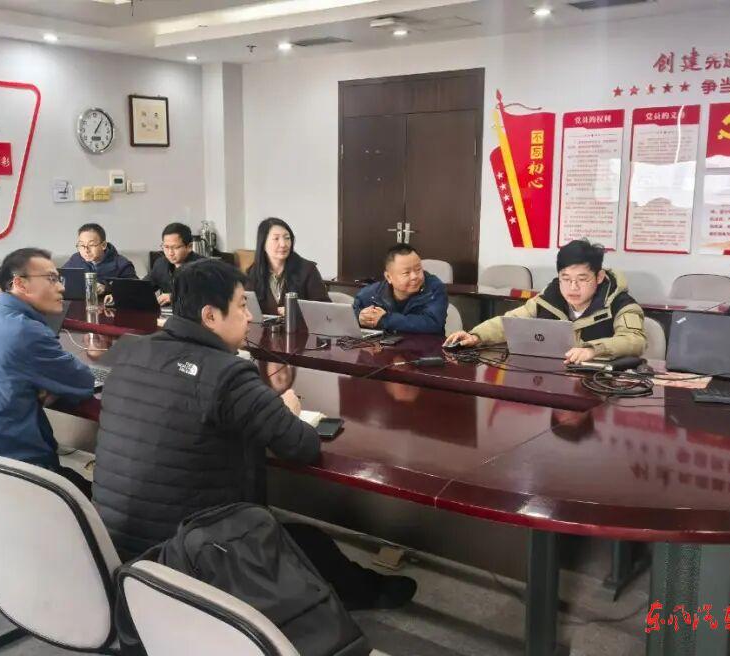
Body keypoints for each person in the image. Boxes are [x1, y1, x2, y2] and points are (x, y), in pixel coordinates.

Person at [93, 258, 416, 610]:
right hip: (189, 552)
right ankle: (365, 593)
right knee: (310, 542)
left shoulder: (129, 349)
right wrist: (288, 410)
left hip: (115, 545)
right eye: (241, 306)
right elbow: (301, 445)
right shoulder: (227, 374)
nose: (249, 317)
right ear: (210, 316)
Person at [0, 248, 94, 489]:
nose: (61, 287)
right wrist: (46, 382)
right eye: (51, 279)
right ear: (20, 284)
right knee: (98, 497)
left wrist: (39, 381)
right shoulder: (24, 331)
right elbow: (84, 382)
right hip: (11, 480)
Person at [446, 239, 646, 363]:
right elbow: (511, 322)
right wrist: (476, 336)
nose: (573, 287)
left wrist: (593, 350)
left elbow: (635, 341)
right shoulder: (549, 298)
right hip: (554, 379)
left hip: (600, 385)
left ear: (599, 277)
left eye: (582, 279)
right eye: (565, 279)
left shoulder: (621, 304)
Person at [352, 243, 448, 335]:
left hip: (426, 345)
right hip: (384, 345)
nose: (414, 276)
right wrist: (359, 318)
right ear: (389, 277)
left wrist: (386, 319)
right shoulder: (372, 293)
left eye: (418, 269)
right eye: (406, 273)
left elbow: (433, 323)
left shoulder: (434, 288)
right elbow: (350, 315)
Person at [245, 217, 328, 316]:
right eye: (276, 238)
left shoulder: (308, 270)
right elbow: (245, 308)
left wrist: (297, 312)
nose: (283, 244)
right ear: (263, 243)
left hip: (299, 326)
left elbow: (325, 309)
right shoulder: (253, 272)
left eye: (287, 238)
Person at [63, 223, 138, 295]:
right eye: (82, 245)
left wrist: (107, 288)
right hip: (79, 303)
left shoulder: (122, 264)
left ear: (103, 245)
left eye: (91, 245)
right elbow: (60, 280)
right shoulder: (75, 259)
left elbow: (136, 289)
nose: (86, 250)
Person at [143, 222, 201, 306]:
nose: (170, 253)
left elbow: (206, 297)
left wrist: (173, 297)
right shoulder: (161, 264)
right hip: (167, 312)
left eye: (176, 247)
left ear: (189, 247)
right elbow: (143, 287)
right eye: (166, 247)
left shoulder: (203, 267)